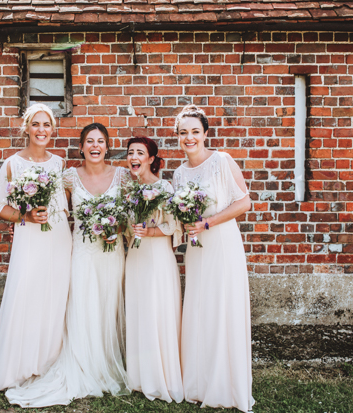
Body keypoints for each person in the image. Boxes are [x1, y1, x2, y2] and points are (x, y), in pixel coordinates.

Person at [6, 123, 130, 407]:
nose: (95, 146)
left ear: (107, 147)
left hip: (112, 253)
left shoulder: (122, 176)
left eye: (100, 141)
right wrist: (22, 223)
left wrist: (118, 227)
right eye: (89, 141)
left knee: (107, 307)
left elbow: (129, 216)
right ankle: (83, 364)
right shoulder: (69, 177)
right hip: (83, 254)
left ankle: (105, 363)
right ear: (82, 147)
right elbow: (49, 207)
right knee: (83, 307)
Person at [0, 103, 72, 397]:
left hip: (58, 237)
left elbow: (64, 204)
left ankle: (46, 363)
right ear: (27, 129)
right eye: (36, 124)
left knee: (54, 298)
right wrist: (25, 216)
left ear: (53, 129)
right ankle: (11, 369)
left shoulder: (59, 163)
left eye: (47, 125)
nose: (41, 130)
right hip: (29, 237)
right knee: (24, 296)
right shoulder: (12, 164)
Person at [172, 105, 254, 412]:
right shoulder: (179, 174)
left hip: (221, 242)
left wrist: (208, 222)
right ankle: (199, 382)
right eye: (183, 132)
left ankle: (226, 385)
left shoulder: (221, 161)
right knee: (200, 306)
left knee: (223, 307)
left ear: (205, 134)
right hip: (197, 249)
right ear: (178, 137)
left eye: (195, 131)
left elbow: (245, 202)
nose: (189, 137)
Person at [124, 137, 184, 403]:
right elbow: (126, 227)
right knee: (139, 311)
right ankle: (139, 377)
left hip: (157, 257)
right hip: (135, 257)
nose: (134, 156)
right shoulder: (128, 190)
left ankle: (162, 377)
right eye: (130, 153)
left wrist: (149, 231)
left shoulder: (165, 187)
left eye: (140, 152)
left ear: (150, 159)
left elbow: (174, 226)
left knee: (157, 311)